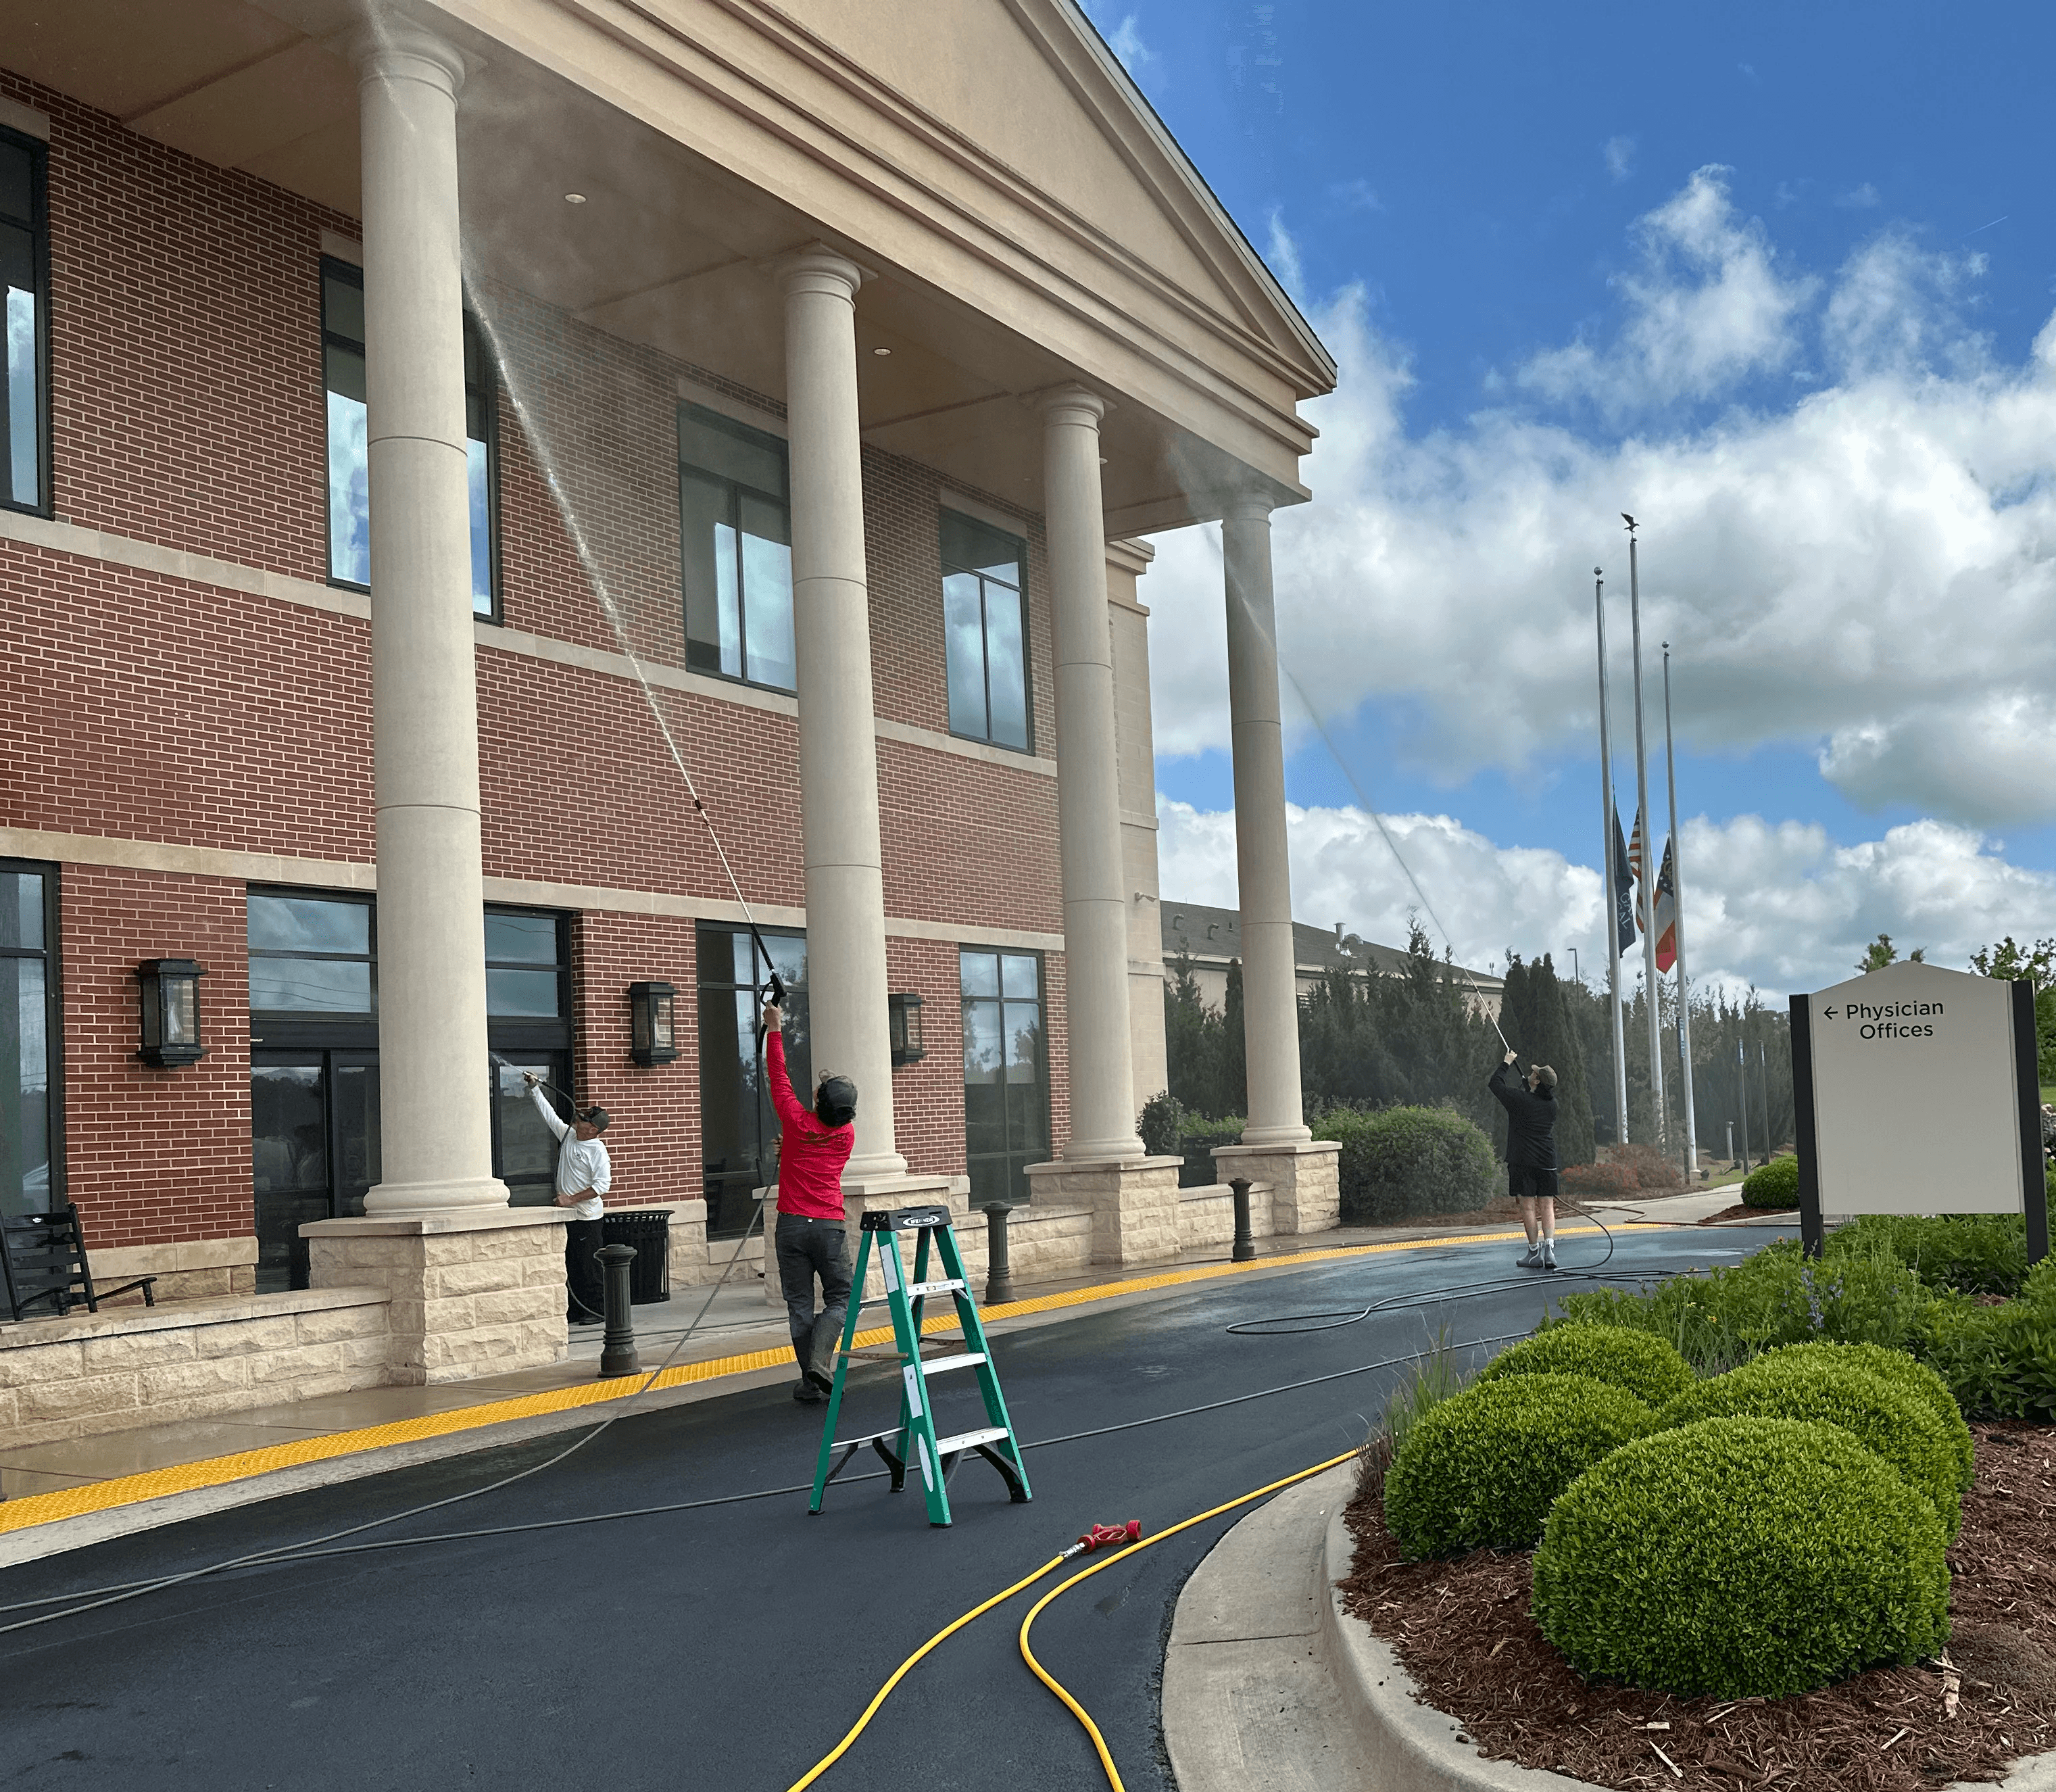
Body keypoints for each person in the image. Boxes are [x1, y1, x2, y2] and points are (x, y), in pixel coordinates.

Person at [762, 1001, 858, 1405]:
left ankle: (810, 1377)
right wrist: (792, 1147)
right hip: (829, 1228)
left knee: (799, 1305)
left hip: (791, 1227)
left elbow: (778, 1075)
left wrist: (774, 1027)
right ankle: (820, 1364)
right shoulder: (846, 1135)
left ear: (818, 1103)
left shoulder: (797, 1123)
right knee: (841, 1298)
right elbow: (815, 1145)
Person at [524, 1073, 612, 1324]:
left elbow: (602, 1186)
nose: (579, 1118)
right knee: (572, 1264)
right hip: (568, 1216)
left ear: (593, 1129)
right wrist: (535, 1089)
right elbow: (549, 1115)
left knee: (589, 1267)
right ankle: (575, 1310)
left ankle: (597, 1311)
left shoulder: (597, 1151)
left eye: (584, 1119)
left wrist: (571, 1199)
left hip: (586, 1218)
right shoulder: (568, 1135)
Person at [1489, 1046, 1559, 1270]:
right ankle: (1550, 1250)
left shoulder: (1521, 1100)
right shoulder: (1552, 1104)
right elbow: (1532, 1103)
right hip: (1547, 1161)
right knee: (1547, 1206)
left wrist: (1506, 1062)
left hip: (1524, 1161)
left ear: (1537, 1081)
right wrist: (1527, 1088)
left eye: (1534, 1074)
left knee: (1528, 1207)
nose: (1531, 1073)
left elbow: (1495, 1085)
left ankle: (1533, 1253)